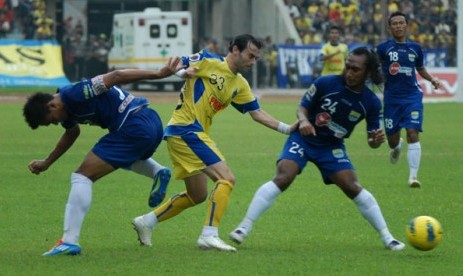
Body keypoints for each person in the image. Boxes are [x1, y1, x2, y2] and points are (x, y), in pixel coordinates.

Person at [131, 34, 297, 252]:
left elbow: (257, 114)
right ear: (235, 50)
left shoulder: (240, 84)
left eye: (256, 58)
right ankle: (209, 235)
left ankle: (147, 221)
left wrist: (288, 129)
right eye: (250, 55)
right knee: (226, 179)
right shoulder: (209, 60)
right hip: (185, 129)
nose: (253, 62)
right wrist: (183, 72)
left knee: (197, 195)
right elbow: (178, 64)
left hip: (189, 133)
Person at [229, 47, 405, 251]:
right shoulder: (326, 83)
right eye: (348, 67)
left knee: (352, 186)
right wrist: (303, 121)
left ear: (368, 72)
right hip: (304, 138)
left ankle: (388, 237)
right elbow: (302, 108)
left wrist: (376, 140)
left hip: (331, 146)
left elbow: (372, 141)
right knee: (284, 176)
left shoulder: (371, 103)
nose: (349, 72)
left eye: (355, 69)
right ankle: (243, 227)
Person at [23, 57, 192, 256]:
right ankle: (157, 171)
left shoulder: (75, 93)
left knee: (81, 176)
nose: (54, 123)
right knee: (118, 155)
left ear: (52, 106)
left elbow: (116, 76)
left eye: (51, 120)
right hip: (150, 122)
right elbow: (72, 133)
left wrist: (158, 74)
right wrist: (47, 162)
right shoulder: (66, 111)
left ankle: (68, 242)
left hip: (133, 126)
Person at [376, 11, 441, 188]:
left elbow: (420, 68)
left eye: (401, 23)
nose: (398, 26)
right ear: (389, 27)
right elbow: (375, 69)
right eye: (394, 23)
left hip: (412, 96)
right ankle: (397, 147)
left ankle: (413, 177)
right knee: (392, 140)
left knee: (413, 132)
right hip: (391, 99)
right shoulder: (383, 48)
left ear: (406, 25)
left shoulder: (416, 48)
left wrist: (432, 79)